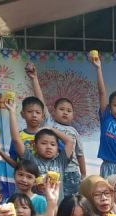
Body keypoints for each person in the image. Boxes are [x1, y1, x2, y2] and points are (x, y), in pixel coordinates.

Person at [25, 63, 86, 195]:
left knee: (69, 204)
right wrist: (34, 78)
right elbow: (40, 100)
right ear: (53, 111)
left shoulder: (73, 132)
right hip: (53, 171)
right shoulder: (49, 123)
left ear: (73, 115)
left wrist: (84, 174)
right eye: (61, 109)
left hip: (71, 172)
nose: (65, 112)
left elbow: (80, 154)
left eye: (69, 111)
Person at [90, 53, 116, 177]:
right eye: (115, 105)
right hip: (108, 166)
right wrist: (98, 68)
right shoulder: (106, 119)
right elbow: (102, 93)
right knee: (108, 195)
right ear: (109, 107)